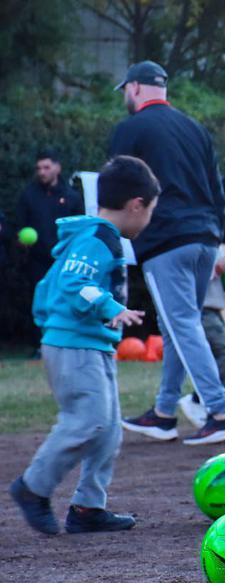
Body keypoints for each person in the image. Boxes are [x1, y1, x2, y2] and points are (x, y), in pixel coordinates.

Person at [8, 156, 159, 535]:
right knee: (87, 420)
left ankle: (88, 508)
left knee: (107, 429)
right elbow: (76, 287)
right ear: (136, 205)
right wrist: (112, 308)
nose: (150, 219)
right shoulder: (97, 239)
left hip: (92, 344)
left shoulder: (101, 237)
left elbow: (56, 287)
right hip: (74, 346)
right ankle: (32, 487)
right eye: (151, 210)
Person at [111, 61, 225, 446]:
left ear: (135, 88)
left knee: (183, 324)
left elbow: (118, 184)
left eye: (125, 90)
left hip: (166, 241)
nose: (125, 97)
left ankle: (220, 413)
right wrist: (215, 239)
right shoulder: (195, 128)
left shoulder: (130, 129)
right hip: (204, 240)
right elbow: (217, 191)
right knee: (175, 327)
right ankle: (165, 413)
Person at [14, 149, 85, 357]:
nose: (42, 172)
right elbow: (19, 227)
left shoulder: (71, 197)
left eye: (46, 167)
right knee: (40, 303)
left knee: (66, 302)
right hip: (37, 261)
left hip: (64, 261)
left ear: (57, 167)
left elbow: (80, 229)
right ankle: (41, 346)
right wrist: (20, 241)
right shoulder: (28, 196)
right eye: (39, 168)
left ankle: (69, 344)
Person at [176, 247, 225, 429]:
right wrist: (219, 268)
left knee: (215, 357)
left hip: (213, 311)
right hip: (201, 310)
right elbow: (188, 275)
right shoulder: (195, 244)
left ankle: (204, 403)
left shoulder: (217, 247)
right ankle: (209, 405)